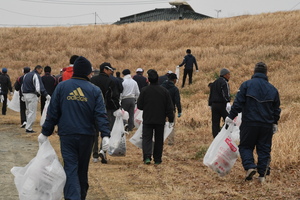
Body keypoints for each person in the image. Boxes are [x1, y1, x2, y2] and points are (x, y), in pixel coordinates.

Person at [39, 56, 111, 200]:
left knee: (70, 167)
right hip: (87, 136)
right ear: (88, 72)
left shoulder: (62, 87)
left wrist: (45, 132)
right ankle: (79, 196)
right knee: (82, 169)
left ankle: (73, 197)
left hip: (67, 134)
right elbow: (100, 115)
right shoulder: (94, 90)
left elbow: (52, 112)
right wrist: (105, 135)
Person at [225, 62, 281, 183]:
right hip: (266, 125)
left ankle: (250, 167)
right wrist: (275, 122)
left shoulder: (246, 85)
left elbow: (238, 103)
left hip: (249, 123)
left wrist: (230, 116)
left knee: (245, 146)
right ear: (266, 73)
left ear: (254, 72)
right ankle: (262, 176)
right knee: (264, 149)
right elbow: (276, 109)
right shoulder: (273, 89)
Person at [137, 69, 174, 164]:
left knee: (147, 138)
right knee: (159, 139)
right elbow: (169, 107)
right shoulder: (164, 91)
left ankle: (147, 157)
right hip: (160, 119)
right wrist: (171, 118)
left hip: (148, 119)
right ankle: (157, 159)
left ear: (148, 80)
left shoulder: (144, 90)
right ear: (158, 79)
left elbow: (139, 106)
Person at [90, 62, 120, 163]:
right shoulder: (110, 81)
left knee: (94, 132)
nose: (111, 72)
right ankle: (103, 151)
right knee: (105, 131)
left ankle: (94, 155)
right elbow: (113, 97)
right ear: (105, 70)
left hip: (93, 110)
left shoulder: (92, 80)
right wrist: (117, 108)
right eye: (110, 70)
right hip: (106, 110)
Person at [22, 65, 50, 133]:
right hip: (32, 95)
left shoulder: (26, 75)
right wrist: (46, 94)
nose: (41, 71)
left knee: (28, 111)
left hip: (25, 94)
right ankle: (29, 128)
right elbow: (38, 87)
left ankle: (27, 125)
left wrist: (23, 95)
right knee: (32, 112)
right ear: (38, 69)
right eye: (41, 70)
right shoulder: (36, 75)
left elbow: (22, 86)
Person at [208, 68, 231, 138]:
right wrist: (227, 101)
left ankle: (216, 137)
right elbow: (225, 93)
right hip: (222, 105)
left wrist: (210, 104)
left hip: (214, 105)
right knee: (228, 120)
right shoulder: (224, 82)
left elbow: (211, 94)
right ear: (225, 75)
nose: (229, 76)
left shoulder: (214, 83)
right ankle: (226, 135)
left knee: (215, 123)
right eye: (228, 74)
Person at [161, 73, 182, 145]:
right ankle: (170, 141)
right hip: (171, 109)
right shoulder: (175, 89)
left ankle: (161, 140)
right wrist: (179, 110)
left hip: (161, 109)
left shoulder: (161, 87)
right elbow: (177, 101)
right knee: (171, 125)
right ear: (174, 80)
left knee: (162, 125)